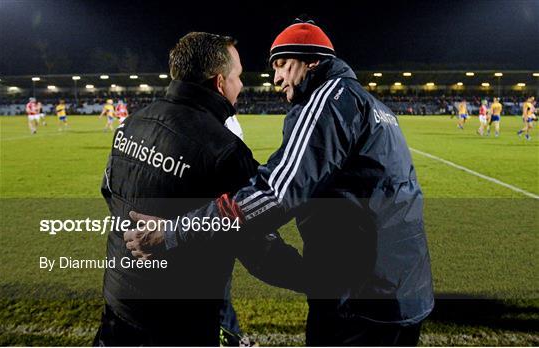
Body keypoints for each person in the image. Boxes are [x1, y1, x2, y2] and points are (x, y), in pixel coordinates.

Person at [125, 19, 434, 346]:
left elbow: (275, 193)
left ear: (312, 61)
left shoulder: (328, 98)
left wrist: (175, 231)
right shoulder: (374, 105)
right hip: (405, 289)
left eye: (284, 65)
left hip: (359, 300)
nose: (276, 78)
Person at [94, 32, 305, 346]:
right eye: (237, 76)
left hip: (119, 302)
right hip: (179, 320)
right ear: (220, 83)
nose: (242, 85)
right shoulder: (225, 151)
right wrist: (316, 277)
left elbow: (109, 190)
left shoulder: (132, 123)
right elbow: (260, 252)